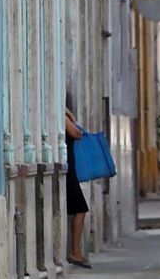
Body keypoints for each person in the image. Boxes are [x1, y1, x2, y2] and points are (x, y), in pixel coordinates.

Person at [65, 99, 90, 268]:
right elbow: (76, 133)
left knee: (79, 209)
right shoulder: (61, 116)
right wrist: (67, 114)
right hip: (68, 171)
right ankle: (75, 251)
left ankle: (76, 251)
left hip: (70, 168)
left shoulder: (63, 115)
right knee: (81, 209)